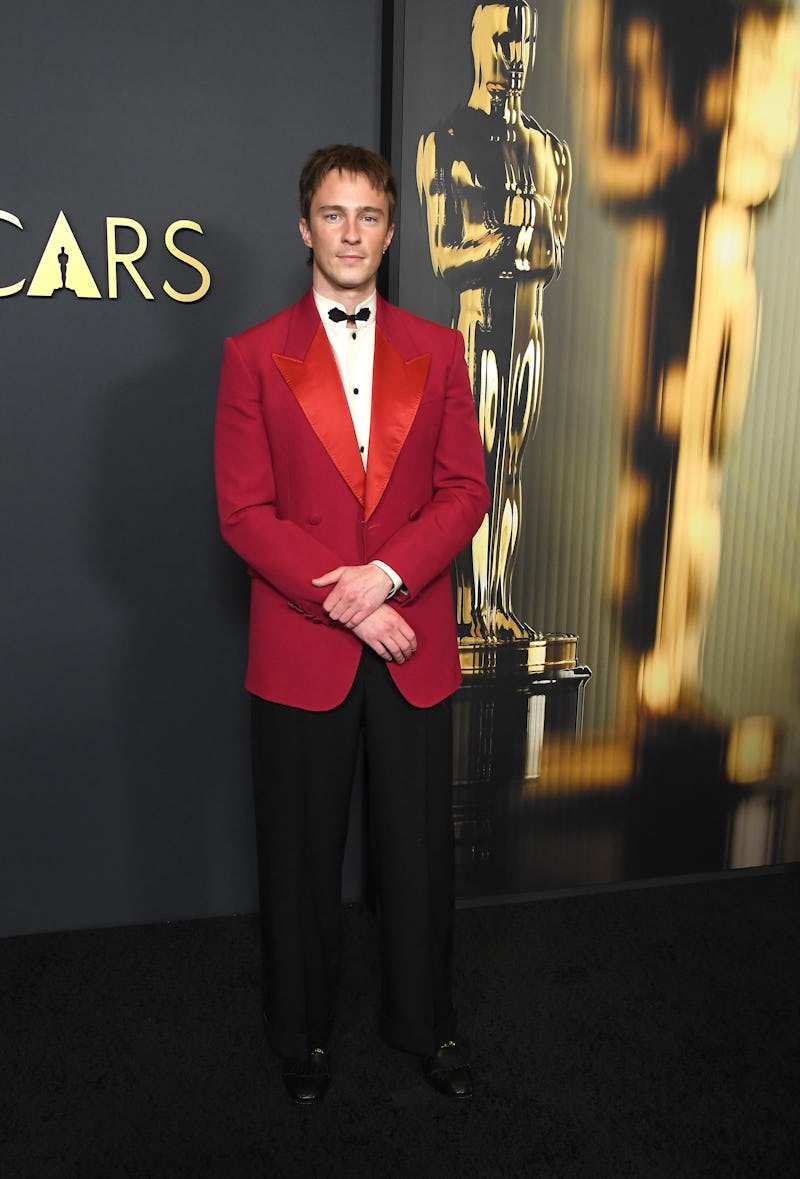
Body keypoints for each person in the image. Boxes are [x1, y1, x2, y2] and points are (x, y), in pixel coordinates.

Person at [214, 144, 489, 1104]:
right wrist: (350, 603)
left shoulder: (438, 347)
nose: (351, 232)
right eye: (334, 215)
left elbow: (466, 491)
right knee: (298, 855)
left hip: (412, 641)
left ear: (389, 229)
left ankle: (426, 1026)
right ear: (304, 228)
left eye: (369, 215)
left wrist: (387, 576)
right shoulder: (251, 355)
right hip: (306, 647)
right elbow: (244, 513)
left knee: (417, 854)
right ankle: (303, 1038)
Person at [417, 2, 571, 646]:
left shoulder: (551, 150)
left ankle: (494, 601)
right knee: (469, 470)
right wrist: (513, 242)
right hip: (476, 331)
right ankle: (461, 606)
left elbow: (555, 252)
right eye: (503, 38)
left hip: (529, 334)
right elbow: (447, 258)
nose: (515, 53)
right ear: (478, 41)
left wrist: (518, 244)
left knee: (508, 468)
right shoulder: (446, 140)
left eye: (525, 40)